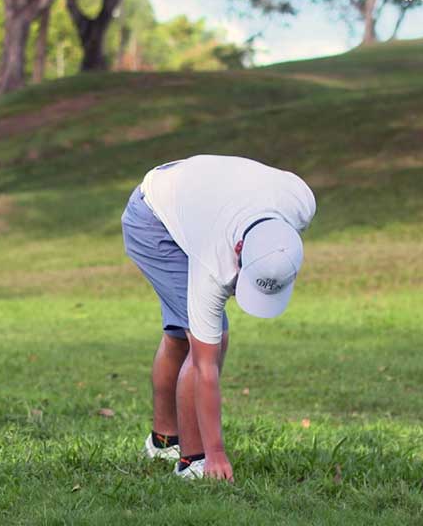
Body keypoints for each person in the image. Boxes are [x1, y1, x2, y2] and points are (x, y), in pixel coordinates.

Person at [121, 155, 316, 481]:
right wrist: (216, 454)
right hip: (153, 213)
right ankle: (192, 462)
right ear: (238, 249)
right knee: (209, 341)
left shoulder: (301, 202)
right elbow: (205, 368)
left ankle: (163, 441)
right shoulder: (214, 263)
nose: (240, 292)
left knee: (181, 335)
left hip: (200, 198)